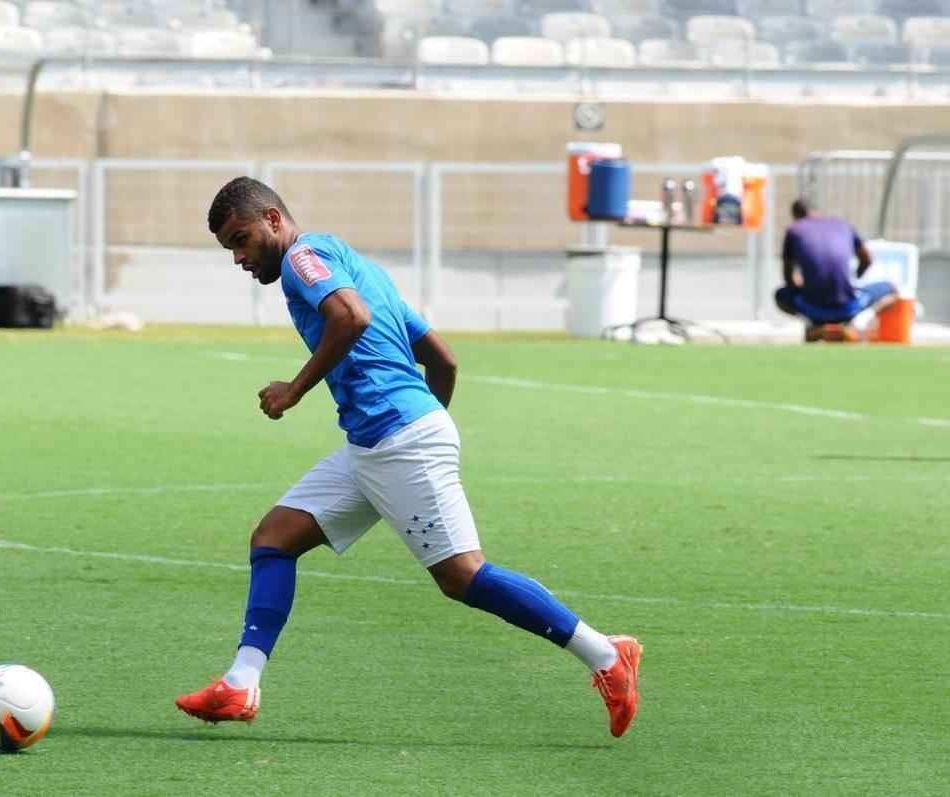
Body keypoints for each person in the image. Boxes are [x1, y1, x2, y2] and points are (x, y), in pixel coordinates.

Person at [175, 177, 642, 738]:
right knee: (274, 539)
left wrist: (298, 392)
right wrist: (423, 425)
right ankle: (241, 682)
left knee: (463, 577)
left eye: (242, 239)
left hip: (397, 441)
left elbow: (350, 317)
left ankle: (606, 655)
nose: (240, 258)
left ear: (274, 219)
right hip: (379, 443)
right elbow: (443, 361)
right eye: (230, 248)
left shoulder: (305, 259)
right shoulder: (357, 266)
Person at [775, 199, 897, 342]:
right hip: (848, 306)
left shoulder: (794, 230)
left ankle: (814, 325)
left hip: (812, 307)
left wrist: (801, 285)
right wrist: (856, 276)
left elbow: (788, 276)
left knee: (780, 295)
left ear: (795, 216)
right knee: (893, 290)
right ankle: (855, 324)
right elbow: (867, 259)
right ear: (816, 212)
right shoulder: (843, 225)